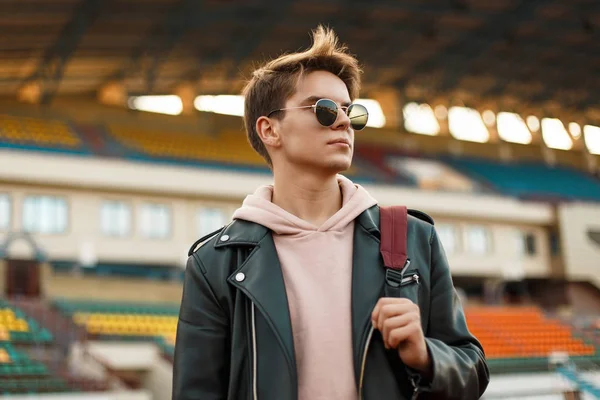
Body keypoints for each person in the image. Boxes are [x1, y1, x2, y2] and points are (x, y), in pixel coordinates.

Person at [173, 25, 489, 400]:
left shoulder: (409, 236)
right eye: (324, 109)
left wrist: (426, 355)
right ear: (270, 130)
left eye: (350, 111)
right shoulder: (216, 263)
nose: (343, 121)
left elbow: (473, 370)